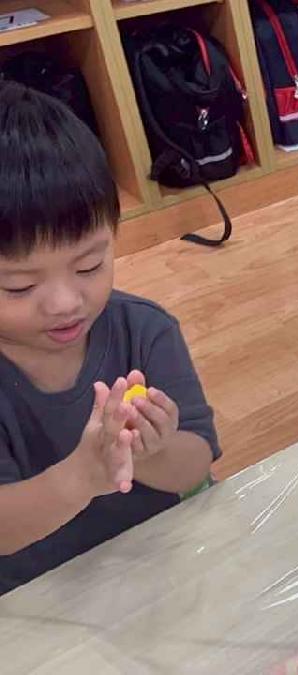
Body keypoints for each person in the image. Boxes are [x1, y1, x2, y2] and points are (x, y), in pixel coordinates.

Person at [0, 82, 219, 595]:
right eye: (19, 286)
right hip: (44, 594)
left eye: (89, 266)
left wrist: (151, 453)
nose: (65, 302)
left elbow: (197, 464)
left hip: (160, 561)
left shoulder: (145, 331)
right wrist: (82, 475)